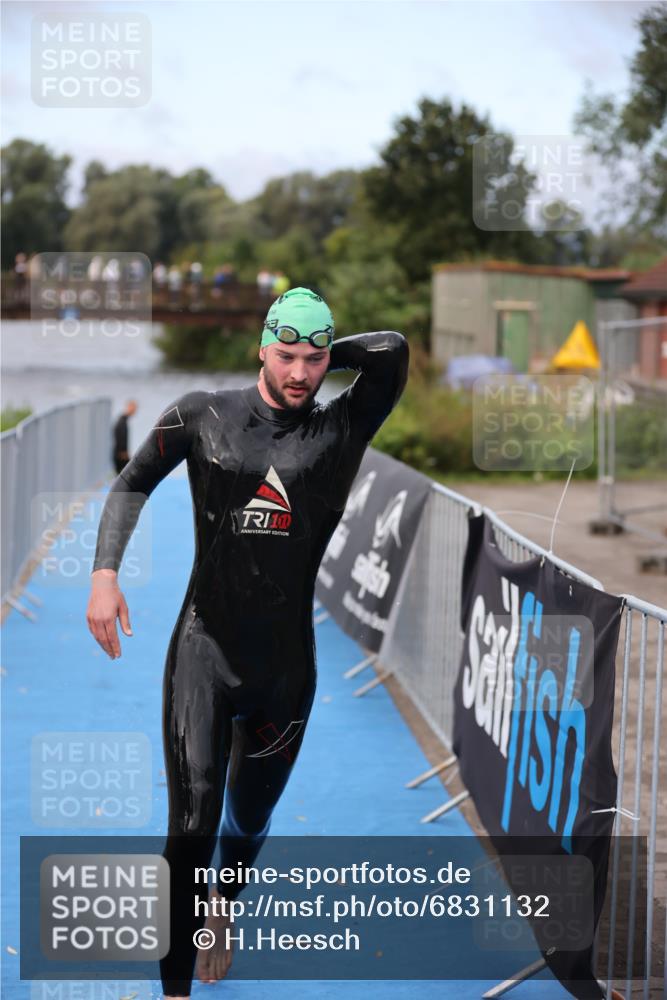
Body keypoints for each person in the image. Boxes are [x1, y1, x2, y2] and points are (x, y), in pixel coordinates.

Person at [86, 288, 409, 999]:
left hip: (284, 670)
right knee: (192, 826)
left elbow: (390, 351)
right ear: (260, 347)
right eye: (285, 353)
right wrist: (104, 572)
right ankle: (173, 992)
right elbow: (132, 481)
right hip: (203, 650)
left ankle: (223, 908)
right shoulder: (202, 415)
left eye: (313, 359)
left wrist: (326, 344)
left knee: (246, 821)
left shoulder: (342, 429)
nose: (299, 373)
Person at [111, 399, 138, 474]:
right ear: (129, 407)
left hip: (120, 454)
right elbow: (119, 436)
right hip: (120, 455)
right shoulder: (122, 422)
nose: (135, 411)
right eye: (134, 408)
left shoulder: (123, 420)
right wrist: (123, 453)